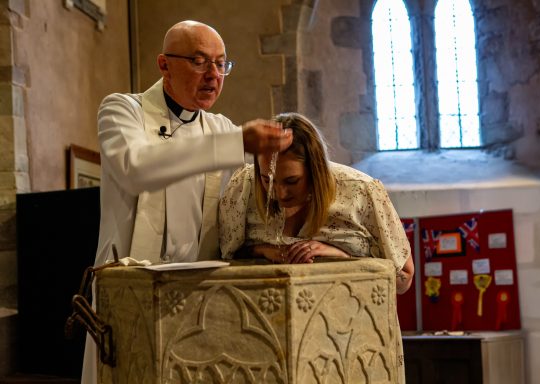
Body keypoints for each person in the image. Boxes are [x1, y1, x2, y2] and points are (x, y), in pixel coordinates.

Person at [82, 20, 292, 383]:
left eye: (221, 64)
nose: (214, 74)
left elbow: (248, 206)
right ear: (164, 65)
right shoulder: (122, 111)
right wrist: (235, 143)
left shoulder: (221, 129)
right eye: (199, 61)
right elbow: (137, 168)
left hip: (199, 299)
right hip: (130, 290)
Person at [218, 112, 414, 294]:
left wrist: (343, 258)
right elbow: (223, 261)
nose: (279, 193)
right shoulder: (243, 187)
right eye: (267, 180)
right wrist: (261, 251)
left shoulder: (361, 191)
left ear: (315, 172)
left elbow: (403, 279)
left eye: (291, 181)